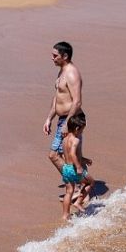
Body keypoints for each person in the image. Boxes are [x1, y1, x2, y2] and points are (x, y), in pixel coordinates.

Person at [43, 41, 83, 180]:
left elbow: (77, 101)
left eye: (55, 56)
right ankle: (79, 185)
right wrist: (49, 119)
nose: (52, 58)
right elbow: (58, 97)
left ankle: (78, 184)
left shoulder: (71, 74)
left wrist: (67, 123)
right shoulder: (62, 71)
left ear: (65, 56)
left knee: (55, 155)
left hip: (71, 120)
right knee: (70, 157)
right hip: (63, 119)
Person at [59, 112, 93, 220]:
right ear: (77, 128)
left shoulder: (65, 139)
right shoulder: (76, 139)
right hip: (74, 168)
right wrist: (79, 167)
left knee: (69, 191)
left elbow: (68, 154)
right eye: (82, 130)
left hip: (66, 167)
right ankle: (78, 202)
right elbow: (73, 153)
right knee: (91, 182)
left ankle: (65, 214)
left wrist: (84, 159)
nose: (82, 132)